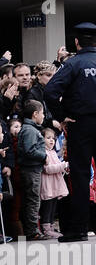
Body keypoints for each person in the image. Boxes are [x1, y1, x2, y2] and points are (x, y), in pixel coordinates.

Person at [41, 23, 96, 241]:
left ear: (77, 43)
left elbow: (50, 91)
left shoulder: (73, 64)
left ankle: (79, 229)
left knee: (80, 174)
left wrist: (62, 116)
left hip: (81, 122)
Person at [15, 100, 48, 240]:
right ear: (35, 114)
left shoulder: (31, 129)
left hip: (32, 169)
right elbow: (29, 150)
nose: (44, 116)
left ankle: (32, 229)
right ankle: (32, 231)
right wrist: (44, 155)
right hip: (30, 170)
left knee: (32, 199)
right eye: (42, 113)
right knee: (33, 200)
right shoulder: (30, 130)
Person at [40, 127, 68, 239]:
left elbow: (58, 166)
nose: (52, 140)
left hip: (55, 184)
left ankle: (51, 226)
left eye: (53, 138)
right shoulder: (43, 153)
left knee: (53, 205)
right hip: (48, 184)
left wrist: (64, 168)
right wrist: (63, 165)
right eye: (48, 138)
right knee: (47, 205)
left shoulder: (53, 152)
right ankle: (46, 229)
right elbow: (47, 169)